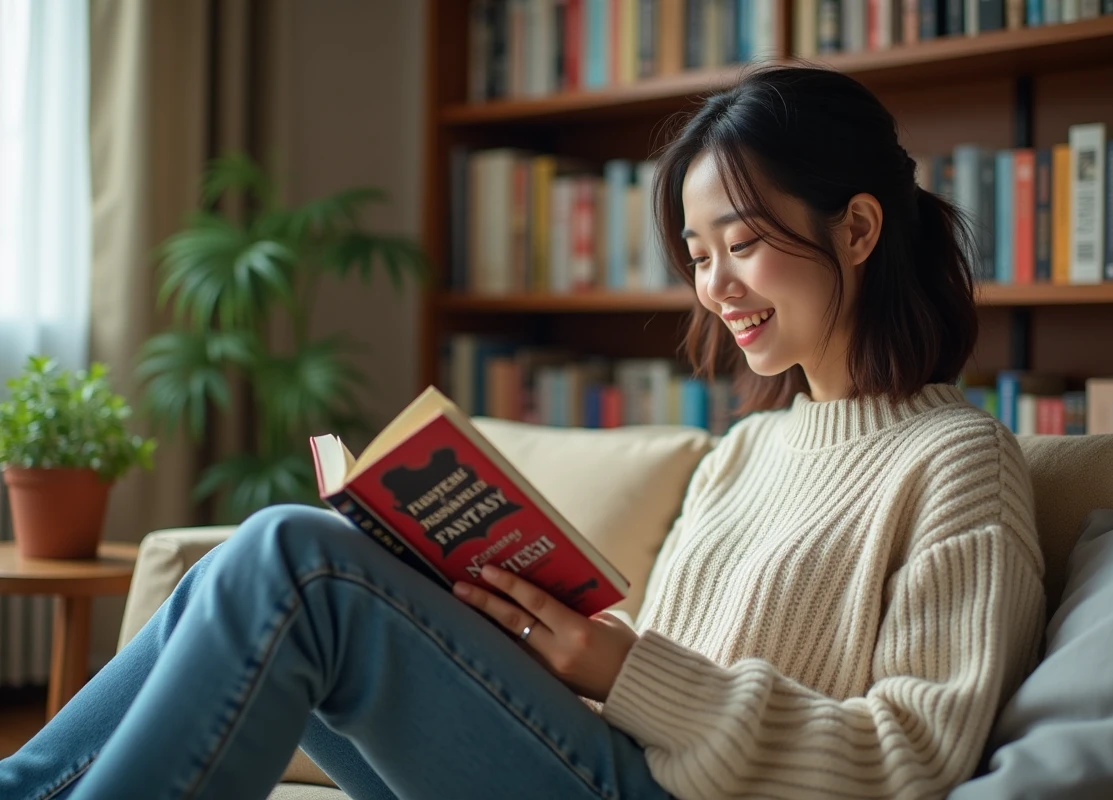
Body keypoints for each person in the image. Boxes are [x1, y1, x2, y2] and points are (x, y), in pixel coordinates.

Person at [0, 64, 1044, 800]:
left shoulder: (960, 462)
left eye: (742, 244)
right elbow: (648, 689)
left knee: (296, 560)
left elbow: (916, 754)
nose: (715, 285)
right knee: (257, 570)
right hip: (600, 758)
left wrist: (625, 670)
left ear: (856, 229)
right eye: (696, 254)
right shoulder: (746, 453)